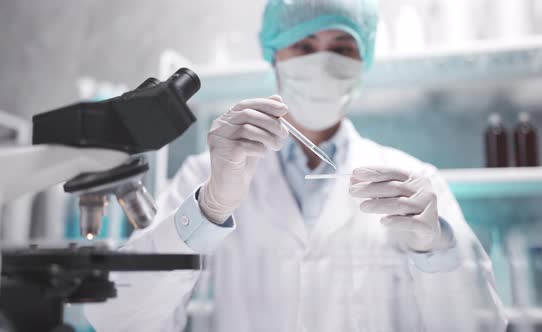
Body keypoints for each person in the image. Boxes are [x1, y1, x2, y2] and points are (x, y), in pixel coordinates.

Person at [85, 0, 507, 331]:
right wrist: (209, 209)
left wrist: (435, 250)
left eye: (342, 48)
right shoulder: (205, 176)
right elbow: (116, 319)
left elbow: (481, 325)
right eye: (303, 45)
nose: (321, 62)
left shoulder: (416, 182)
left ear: (363, 64)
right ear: (275, 57)